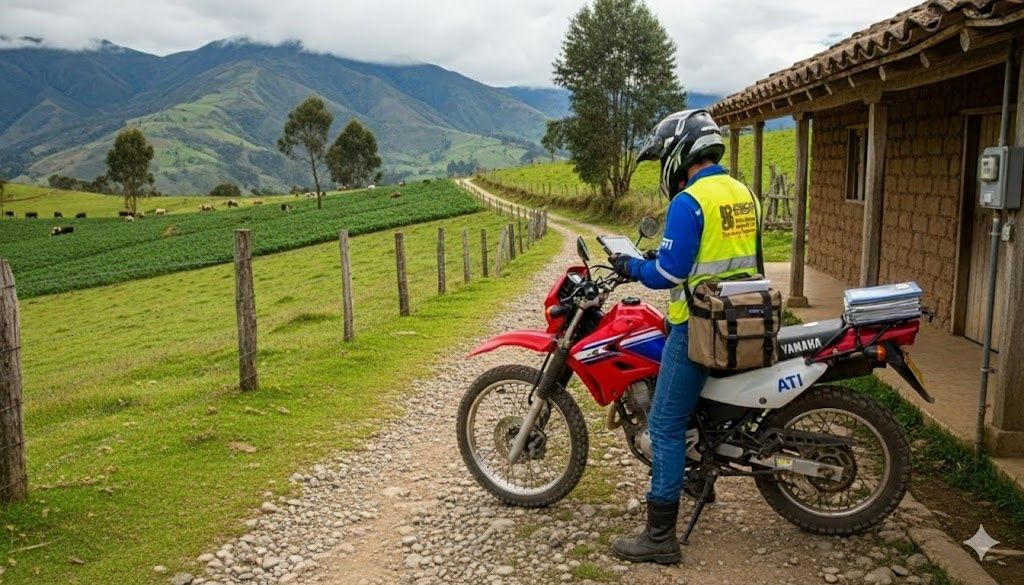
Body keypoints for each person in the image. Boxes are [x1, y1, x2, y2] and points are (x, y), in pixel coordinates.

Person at [608, 109, 762, 564]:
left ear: (679, 153)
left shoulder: (688, 201)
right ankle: (699, 479)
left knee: (664, 424)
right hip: (741, 318)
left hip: (698, 326)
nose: (664, 167)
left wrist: (631, 266)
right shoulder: (743, 193)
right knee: (694, 409)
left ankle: (660, 537)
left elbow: (669, 274)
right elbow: (731, 255)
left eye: (664, 158)